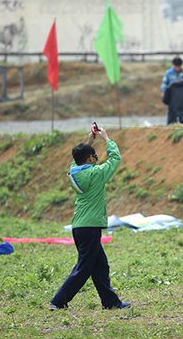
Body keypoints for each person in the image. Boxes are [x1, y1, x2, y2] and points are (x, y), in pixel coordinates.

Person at [50, 126, 130, 310]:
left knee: (100, 265)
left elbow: (77, 161)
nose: (97, 159)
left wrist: (89, 142)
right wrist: (106, 138)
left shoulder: (73, 173)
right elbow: (116, 158)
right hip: (90, 226)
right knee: (84, 268)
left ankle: (111, 302)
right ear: (89, 159)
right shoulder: (96, 174)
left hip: (79, 226)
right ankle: (58, 300)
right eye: (95, 156)